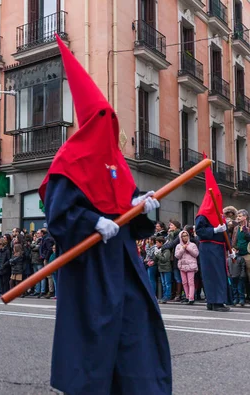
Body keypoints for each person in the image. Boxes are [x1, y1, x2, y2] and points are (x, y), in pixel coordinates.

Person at [39, 36, 171, 394]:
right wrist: (92, 222)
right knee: (95, 335)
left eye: (109, 117)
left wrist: (144, 208)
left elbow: (132, 217)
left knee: (136, 326)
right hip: (90, 264)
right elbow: (58, 217)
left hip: (125, 262)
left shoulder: (118, 163)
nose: (107, 123)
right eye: (101, 117)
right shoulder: (69, 161)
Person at [195, 159, 231, 312]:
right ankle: (215, 301)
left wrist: (230, 247)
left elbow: (224, 233)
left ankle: (216, 301)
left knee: (219, 274)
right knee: (212, 274)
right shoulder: (203, 215)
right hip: (209, 248)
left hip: (219, 249)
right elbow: (200, 231)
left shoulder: (219, 215)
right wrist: (214, 230)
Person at [174, 230, 199, 305]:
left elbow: (196, 254)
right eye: (183, 236)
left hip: (191, 266)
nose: (185, 237)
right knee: (184, 282)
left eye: (186, 235)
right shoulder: (178, 246)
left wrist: (188, 248)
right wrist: (182, 249)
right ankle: (187, 296)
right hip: (182, 266)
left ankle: (191, 298)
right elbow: (177, 255)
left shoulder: (193, 245)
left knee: (190, 282)